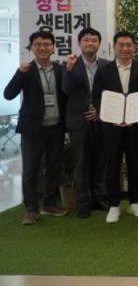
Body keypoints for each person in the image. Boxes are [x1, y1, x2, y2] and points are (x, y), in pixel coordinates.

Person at [4, 31, 68, 225]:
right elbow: (8, 94)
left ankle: (50, 204)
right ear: (31, 47)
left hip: (56, 127)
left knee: (54, 167)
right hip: (33, 128)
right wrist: (19, 73)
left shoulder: (60, 69)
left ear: (53, 47)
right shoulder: (26, 70)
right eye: (38, 44)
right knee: (31, 170)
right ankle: (31, 209)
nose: (42, 48)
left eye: (47, 44)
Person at [92, 31, 138, 223]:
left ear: (134, 47)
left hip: (135, 126)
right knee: (112, 165)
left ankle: (134, 202)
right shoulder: (104, 70)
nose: (125, 49)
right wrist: (109, 116)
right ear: (114, 47)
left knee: (135, 164)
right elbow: (96, 97)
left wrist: (137, 115)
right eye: (121, 45)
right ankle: (114, 205)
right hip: (112, 127)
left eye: (129, 45)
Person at [61, 27, 109, 218]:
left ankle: (99, 198)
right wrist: (69, 70)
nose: (90, 43)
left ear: (99, 44)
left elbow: (110, 93)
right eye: (86, 40)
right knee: (81, 163)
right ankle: (82, 202)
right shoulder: (70, 64)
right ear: (79, 43)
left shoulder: (106, 65)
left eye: (94, 40)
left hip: (101, 120)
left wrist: (101, 110)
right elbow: (66, 89)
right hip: (79, 122)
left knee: (100, 162)